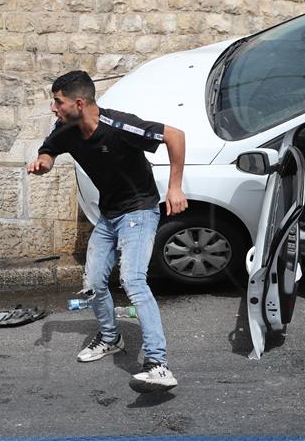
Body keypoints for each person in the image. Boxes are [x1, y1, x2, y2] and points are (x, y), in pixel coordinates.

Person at [28, 70, 188, 393]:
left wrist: (175, 188)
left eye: (57, 102)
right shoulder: (66, 129)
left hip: (140, 210)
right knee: (93, 281)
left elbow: (176, 136)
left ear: (79, 102)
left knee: (132, 280)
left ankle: (158, 363)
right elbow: (49, 149)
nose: (53, 108)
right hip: (109, 213)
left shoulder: (119, 126)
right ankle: (111, 337)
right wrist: (43, 162)